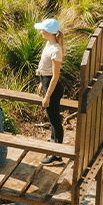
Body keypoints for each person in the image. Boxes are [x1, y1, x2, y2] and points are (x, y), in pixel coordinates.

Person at [35, 17, 66, 164]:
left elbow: (55, 76)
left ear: (48, 32)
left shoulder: (56, 50)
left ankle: (57, 154)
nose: (40, 31)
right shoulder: (49, 44)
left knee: (55, 120)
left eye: (42, 29)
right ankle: (53, 141)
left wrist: (47, 96)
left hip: (53, 87)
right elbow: (46, 70)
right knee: (52, 119)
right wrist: (42, 83)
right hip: (47, 83)